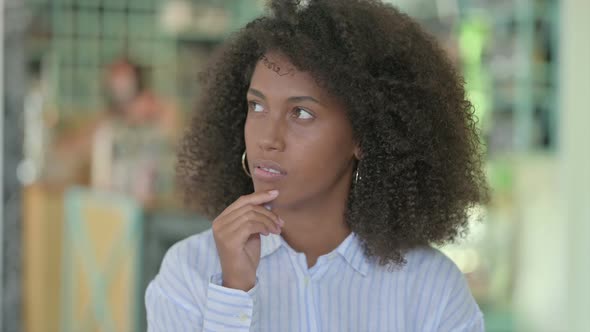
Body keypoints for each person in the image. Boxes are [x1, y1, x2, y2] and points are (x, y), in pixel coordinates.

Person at [145, 0, 489, 331]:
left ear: (364, 138)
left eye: (301, 113)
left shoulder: (431, 289)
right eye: (257, 106)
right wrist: (233, 292)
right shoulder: (190, 270)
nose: (268, 138)